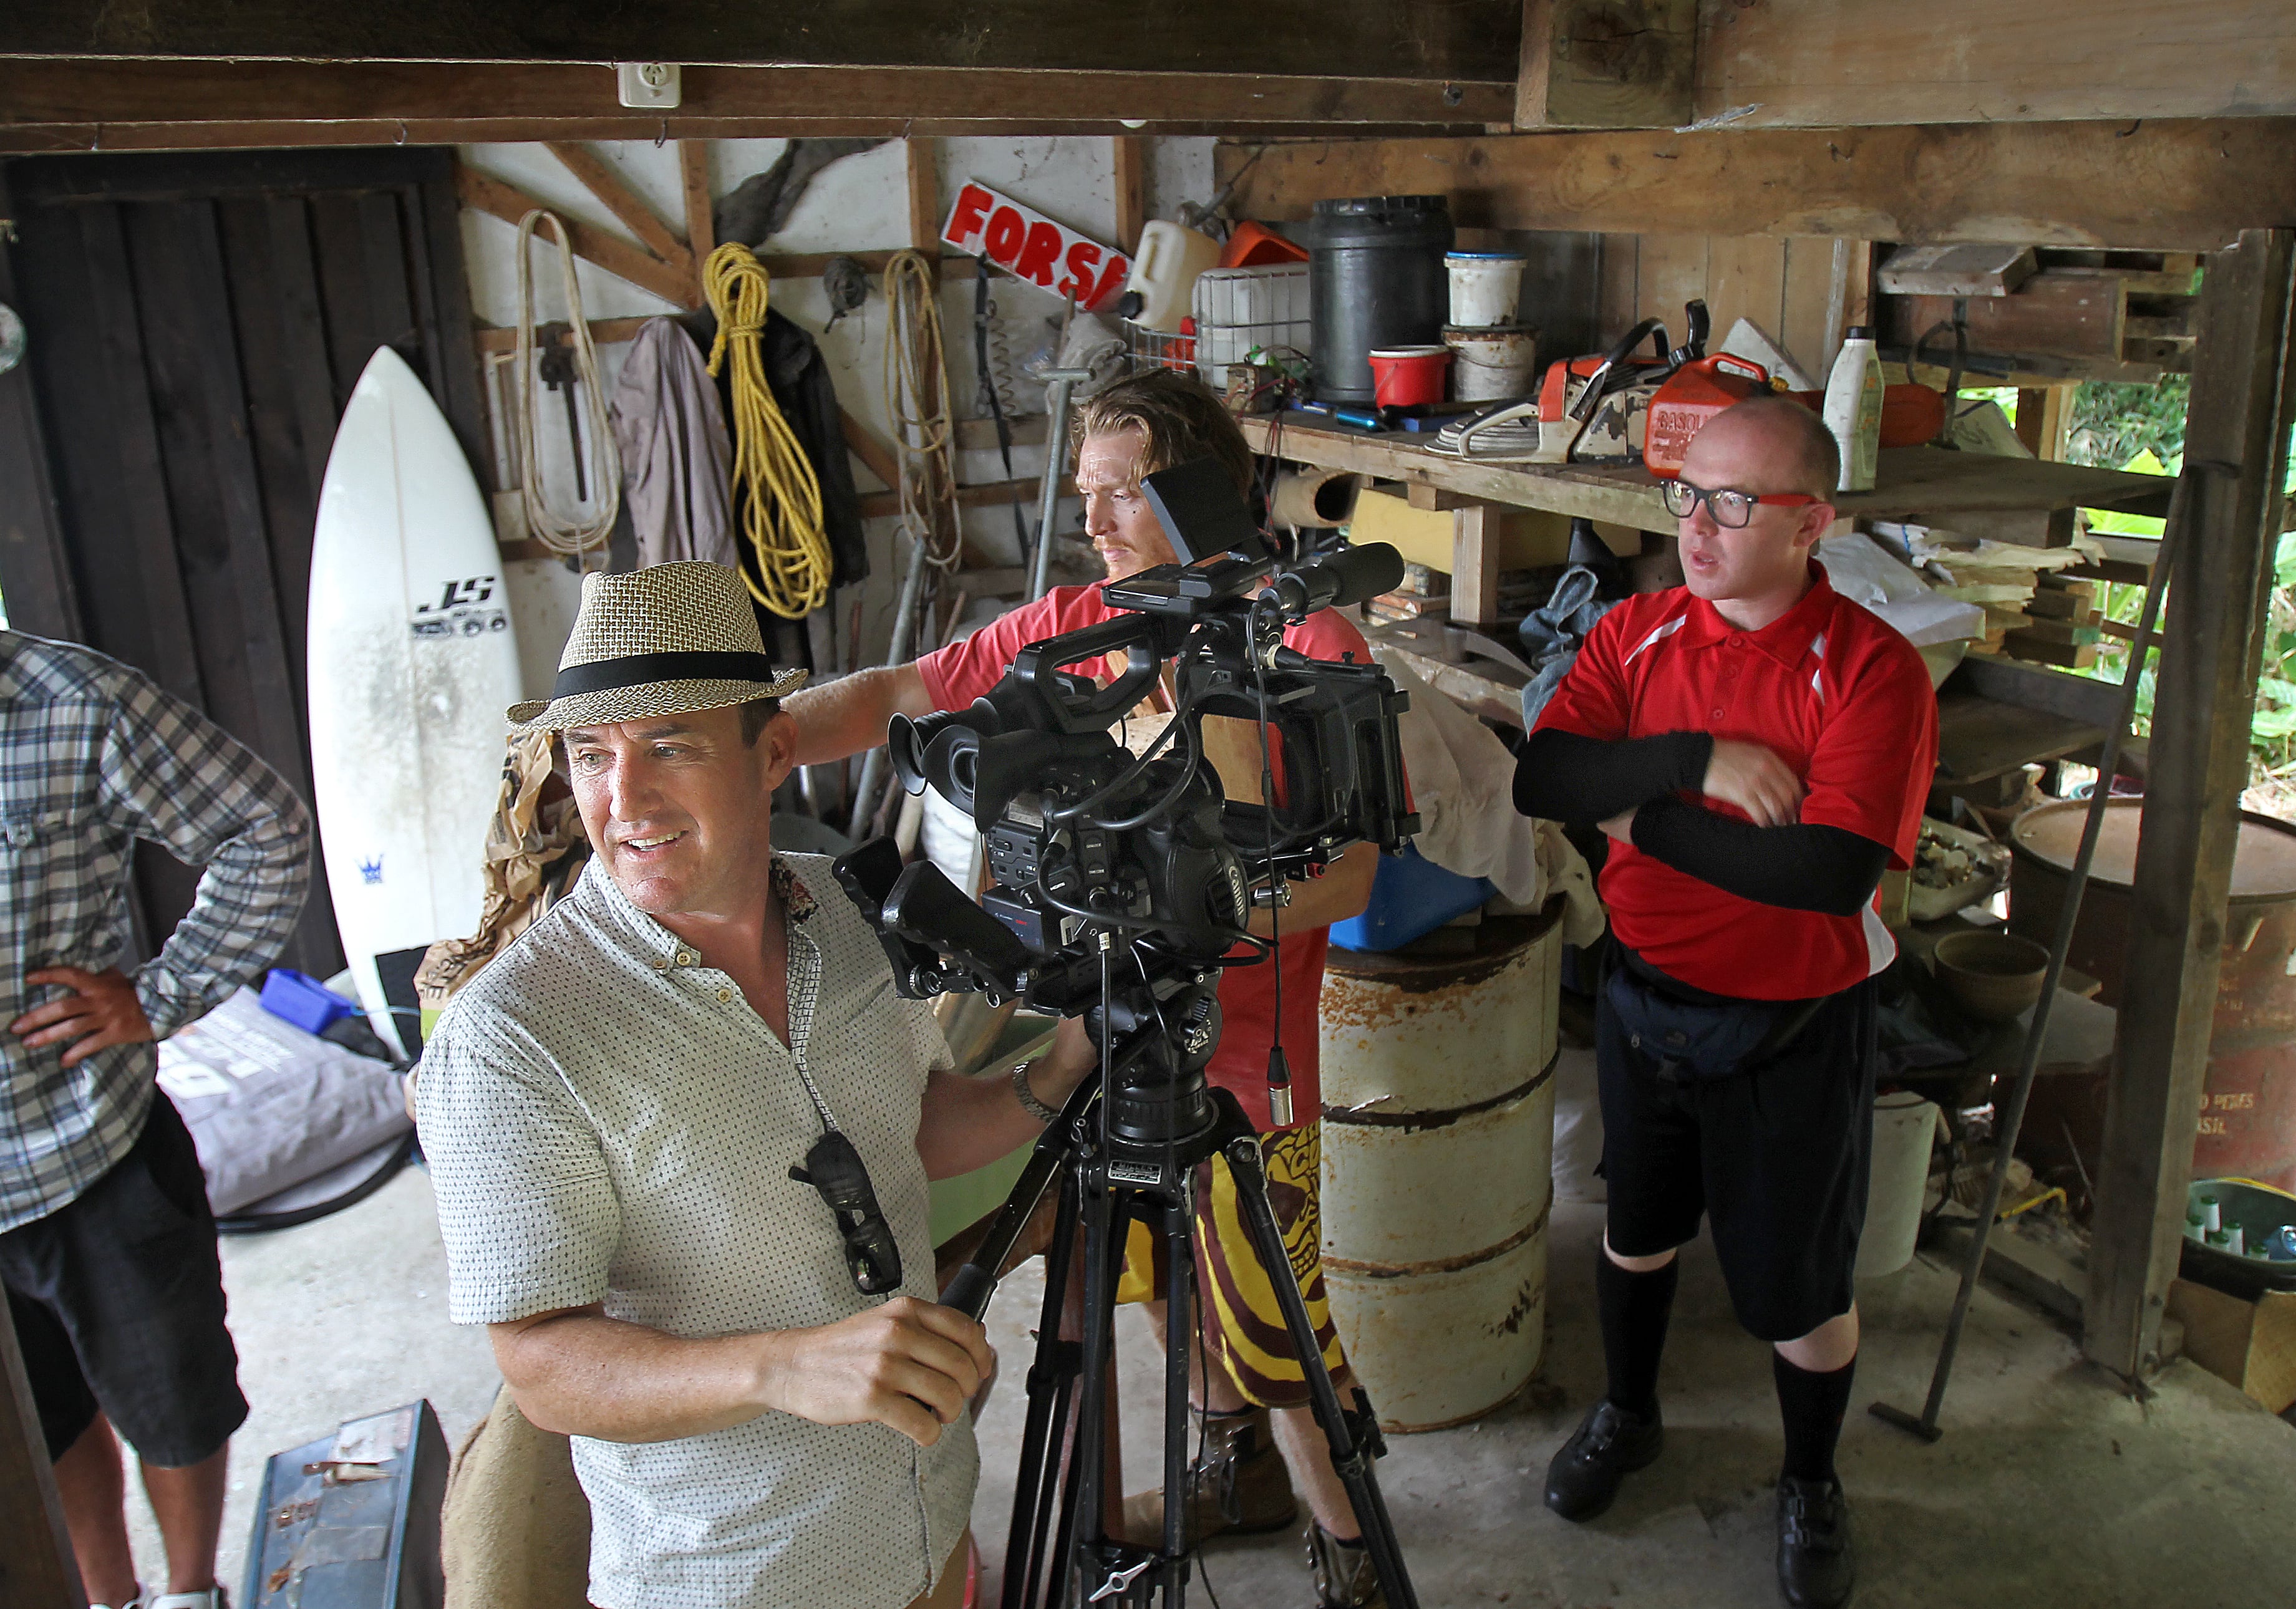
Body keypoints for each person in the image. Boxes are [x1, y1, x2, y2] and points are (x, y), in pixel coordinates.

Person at [785, 368, 1390, 1609]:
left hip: (1247, 1066)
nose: (1097, 523)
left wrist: (1217, 907)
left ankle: (1350, 1549)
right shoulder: (1072, 623)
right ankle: (1233, 1471)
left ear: (1203, 490)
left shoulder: (1306, 635)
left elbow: (1358, 868)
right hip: (1105, 1032)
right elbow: (903, 693)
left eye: (1125, 493)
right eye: (1086, 496)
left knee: (1283, 1333)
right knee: (1162, 1294)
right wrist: (752, 739)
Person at [412, 563, 1095, 1609]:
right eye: (592, 755)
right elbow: (540, 1364)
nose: (623, 799)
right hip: (739, 1577)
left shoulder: (854, 912)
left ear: (772, 751)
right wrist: (780, 1368)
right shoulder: (515, 1036)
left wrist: (1061, 1067)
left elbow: (901, 1134)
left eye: (671, 747)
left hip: (929, 1523)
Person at [1511, 397, 1937, 1609]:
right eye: (1686, 495)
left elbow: (1825, 875)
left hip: (1795, 1024)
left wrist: (1637, 815)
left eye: (1735, 503)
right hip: (1646, 1002)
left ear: (1817, 525)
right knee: (1634, 1226)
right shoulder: (1638, 634)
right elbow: (1547, 774)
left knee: (1800, 1288)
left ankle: (1811, 1479)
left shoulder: (1871, 670)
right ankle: (1628, 1412)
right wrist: (1689, 764)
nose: (1698, 526)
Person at [1, 629, 314, 1609]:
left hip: (89, 1141)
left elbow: (263, 828)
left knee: (172, 1399)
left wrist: (160, 995)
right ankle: (108, 1596)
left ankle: (185, 1594)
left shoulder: (75, 703)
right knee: (38, 1420)